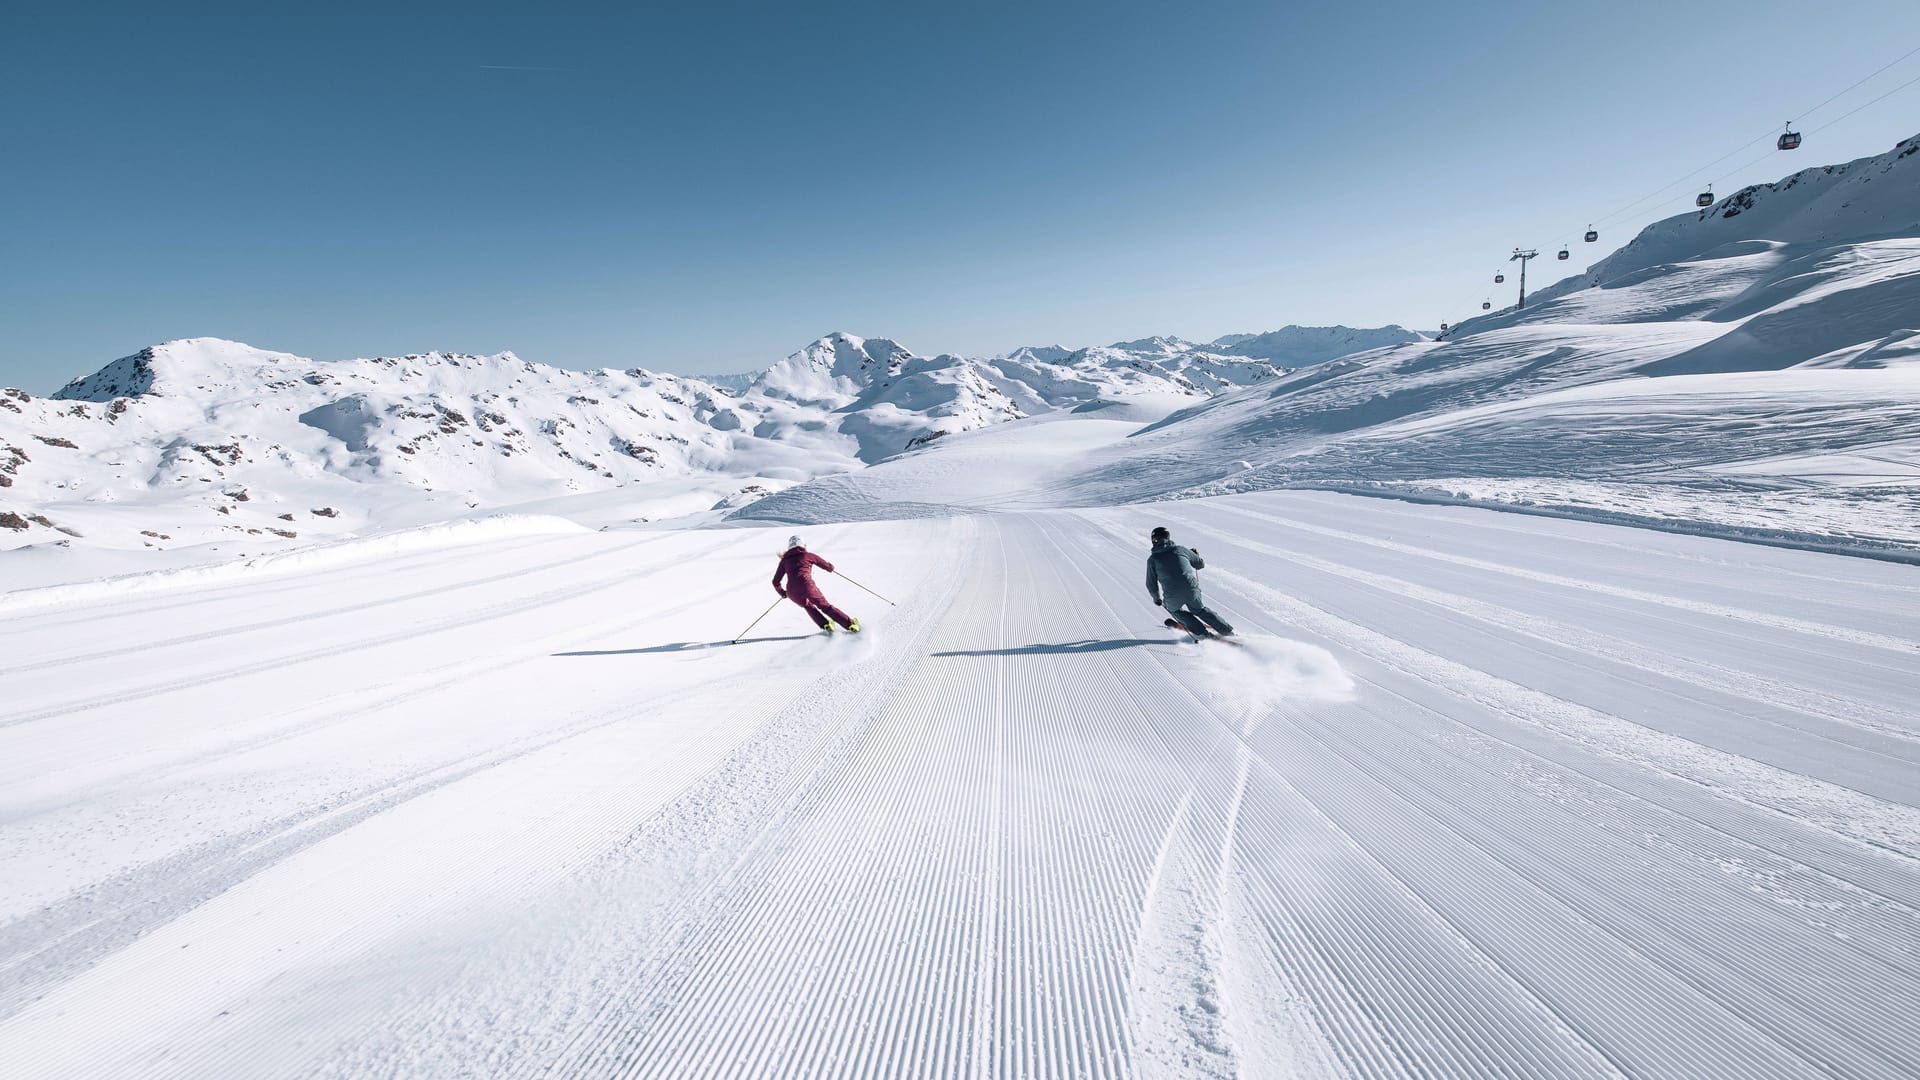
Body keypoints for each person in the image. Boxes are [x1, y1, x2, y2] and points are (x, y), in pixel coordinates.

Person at [1146, 525, 1234, 637]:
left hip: (1172, 595)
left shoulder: (1152, 560)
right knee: (1199, 610)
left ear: (1153, 541)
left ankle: (1202, 633)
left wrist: (1156, 598)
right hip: (1191, 589)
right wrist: (1193, 555)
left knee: (1175, 610)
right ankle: (1227, 631)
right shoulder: (1180, 549)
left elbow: (1151, 583)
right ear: (1168, 537)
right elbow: (1200, 564)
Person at [773, 535, 860, 634]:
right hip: (807, 586)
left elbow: (775, 581)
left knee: (808, 606)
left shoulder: (784, 561)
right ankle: (850, 624)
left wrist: (783, 593)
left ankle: (825, 625)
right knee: (825, 606)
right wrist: (830, 567)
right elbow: (827, 566)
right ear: (803, 545)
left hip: (792, 591)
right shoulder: (808, 555)